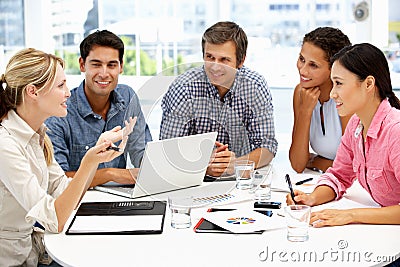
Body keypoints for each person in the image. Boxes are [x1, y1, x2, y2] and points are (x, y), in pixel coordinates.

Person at [0, 48, 134, 265]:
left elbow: (64, 192)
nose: (68, 93)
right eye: (60, 86)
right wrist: (89, 162)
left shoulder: (38, 134)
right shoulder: (5, 145)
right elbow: (55, 220)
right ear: (33, 92)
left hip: (33, 255)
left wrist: (95, 157)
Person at [286, 43, 400, 227]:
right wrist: (311, 198)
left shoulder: (395, 131)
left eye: (338, 84)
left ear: (369, 84)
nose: (332, 94)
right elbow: (338, 176)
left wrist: (350, 215)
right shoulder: (356, 124)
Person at [160, 21, 278, 177]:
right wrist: (203, 166)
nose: (215, 67)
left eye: (224, 60)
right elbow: (167, 151)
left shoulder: (255, 86)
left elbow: (267, 147)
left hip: (241, 180)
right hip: (191, 180)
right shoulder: (183, 88)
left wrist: (236, 164)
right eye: (210, 57)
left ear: (240, 61)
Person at [46, 30, 152, 187]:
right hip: (77, 201)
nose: (104, 73)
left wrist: (156, 170)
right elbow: (58, 180)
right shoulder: (61, 110)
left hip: (120, 198)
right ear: (82, 65)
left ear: (121, 67)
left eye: (111, 65)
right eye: (96, 64)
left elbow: (142, 153)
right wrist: (111, 174)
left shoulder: (128, 96)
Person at [289, 27, 352, 173]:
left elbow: (353, 167)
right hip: (327, 180)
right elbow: (298, 164)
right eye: (302, 59)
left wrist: (317, 161)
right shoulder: (301, 93)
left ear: (334, 68)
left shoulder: (347, 97)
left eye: (313, 65)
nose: (303, 70)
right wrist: (305, 111)